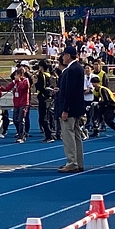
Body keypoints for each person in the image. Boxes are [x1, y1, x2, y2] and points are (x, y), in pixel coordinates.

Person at [55, 45, 86, 173]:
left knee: (68, 135)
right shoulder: (79, 68)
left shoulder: (71, 70)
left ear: (68, 56)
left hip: (70, 108)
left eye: (64, 55)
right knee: (77, 135)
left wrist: (65, 109)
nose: (62, 57)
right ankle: (78, 162)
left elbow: (70, 91)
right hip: (77, 107)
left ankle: (72, 162)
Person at [4, 66, 33, 143]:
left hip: (23, 103)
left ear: (21, 75)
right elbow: (7, 88)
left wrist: (18, 81)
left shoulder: (25, 81)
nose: (14, 77)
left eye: (16, 75)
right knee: (15, 119)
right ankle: (19, 132)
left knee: (20, 119)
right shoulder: (14, 82)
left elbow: (22, 87)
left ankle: (21, 136)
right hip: (16, 103)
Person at [35, 61, 57, 142]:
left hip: (43, 97)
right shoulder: (52, 75)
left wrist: (35, 83)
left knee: (43, 118)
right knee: (49, 116)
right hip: (50, 97)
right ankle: (52, 133)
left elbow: (40, 87)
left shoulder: (41, 76)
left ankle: (49, 135)